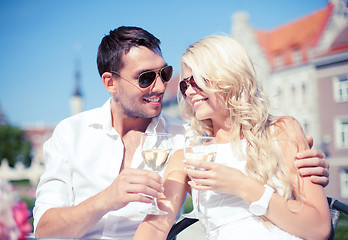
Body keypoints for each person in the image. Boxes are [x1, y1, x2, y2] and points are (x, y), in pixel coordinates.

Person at [33, 27, 329, 239]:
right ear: (110, 83)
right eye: (147, 78)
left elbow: (316, 224)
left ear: (229, 78)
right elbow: (46, 231)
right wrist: (108, 198)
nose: (165, 88)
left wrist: (303, 160)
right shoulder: (71, 133)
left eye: (166, 75)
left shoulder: (190, 139)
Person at [134, 35, 331, 240]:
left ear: (229, 77)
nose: (190, 91)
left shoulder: (283, 130)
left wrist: (241, 185)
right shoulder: (188, 155)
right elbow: (155, 227)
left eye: (197, 81)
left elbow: (319, 228)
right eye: (185, 86)